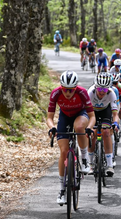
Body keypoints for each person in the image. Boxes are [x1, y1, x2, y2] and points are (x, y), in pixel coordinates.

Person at [47, 71, 95, 205]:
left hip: (81, 114)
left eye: (71, 90)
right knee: (63, 152)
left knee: (79, 127)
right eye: (65, 90)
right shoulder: (56, 93)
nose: (68, 93)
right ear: (61, 87)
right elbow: (49, 117)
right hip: (64, 117)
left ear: (76, 88)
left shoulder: (82, 92)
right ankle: (62, 189)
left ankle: (84, 160)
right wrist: (52, 127)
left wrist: (90, 127)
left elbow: (92, 116)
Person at [86, 73, 119, 177]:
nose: (101, 92)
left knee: (106, 132)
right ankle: (90, 164)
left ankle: (109, 165)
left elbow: (115, 113)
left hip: (105, 111)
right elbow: (86, 112)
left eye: (104, 90)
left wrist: (115, 123)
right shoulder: (90, 92)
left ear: (108, 89)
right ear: (95, 87)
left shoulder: (111, 93)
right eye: (100, 89)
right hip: (92, 113)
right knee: (92, 134)